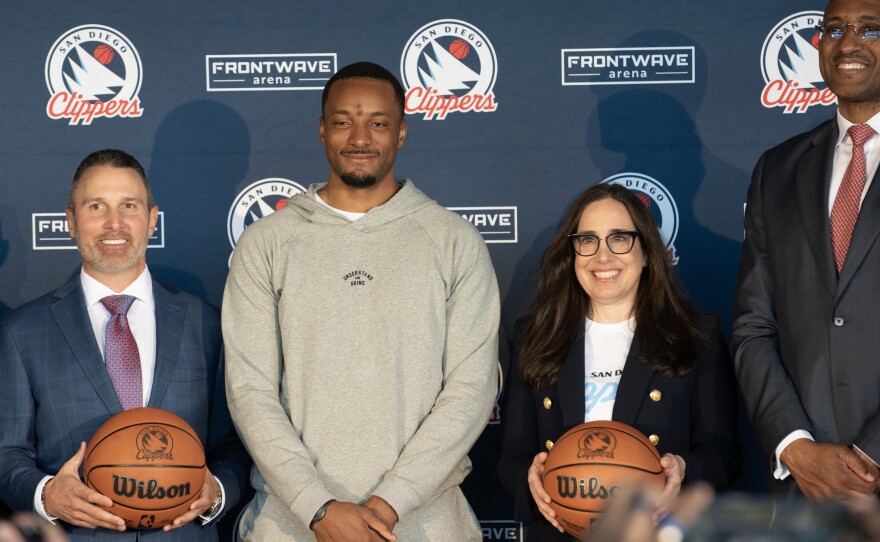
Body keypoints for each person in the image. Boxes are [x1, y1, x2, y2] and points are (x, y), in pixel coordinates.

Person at [222, 61, 500, 541]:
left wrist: (391, 502)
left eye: (378, 122)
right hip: (291, 526)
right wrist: (318, 507)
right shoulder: (266, 243)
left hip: (427, 526)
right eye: (343, 121)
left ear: (402, 133)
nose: (360, 137)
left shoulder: (454, 241)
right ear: (322, 129)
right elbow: (250, 392)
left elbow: (472, 390)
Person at [0, 149, 250, 541]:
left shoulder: (207, 322)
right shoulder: (22, 331)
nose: (113, 223)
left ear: (152, 219)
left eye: (129, 206)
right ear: (70, 220)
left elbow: (238, 442)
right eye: (96, 206)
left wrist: (217, 490)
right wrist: (47, 495)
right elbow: (6, 452)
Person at [498, 183, 740, 541]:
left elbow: (725, 454)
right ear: (572, 254)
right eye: (587, 240)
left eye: (619, 238)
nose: (603, 256)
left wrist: (683, 469)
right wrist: (529, 477)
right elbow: (512, 456)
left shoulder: (695, 335)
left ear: (645, 252)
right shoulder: (537, 335)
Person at [732, 0, 880, 504]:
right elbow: (754, 327)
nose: (849, 43)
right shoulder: (778, 168)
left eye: (870, 29)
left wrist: (869, 455)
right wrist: (794, 446)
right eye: (834, 29)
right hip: (807, 490)